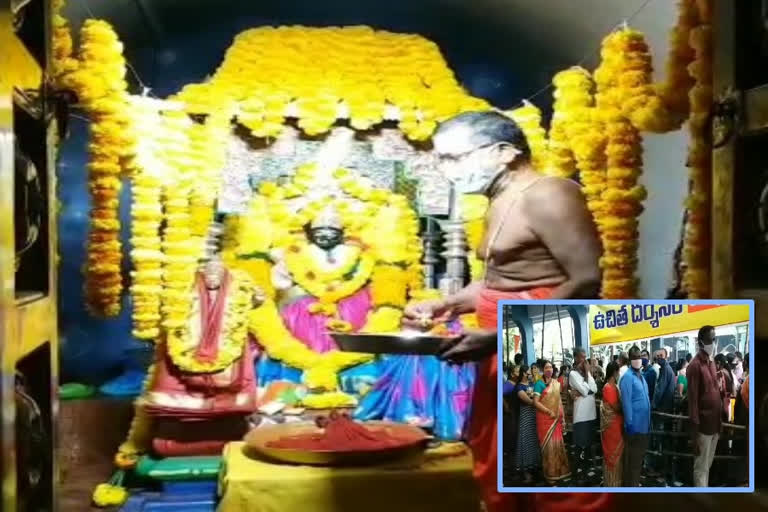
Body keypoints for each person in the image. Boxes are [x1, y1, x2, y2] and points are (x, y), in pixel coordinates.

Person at [401, 111, 603, 511]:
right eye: (440, 159)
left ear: (504, 152)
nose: (446, 169)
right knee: (504, 459)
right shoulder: (500, 199)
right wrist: (449, 303)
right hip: (505, 338)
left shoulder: (549, 194)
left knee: (554, 465)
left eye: (454, 158)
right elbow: (503, 281)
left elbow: (585, 281)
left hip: (548, 343)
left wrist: (499, 337)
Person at [687, 325, 722, 487]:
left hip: (715, 424)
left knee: (707, 466)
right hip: (703, 427)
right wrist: (694, 436)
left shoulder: (712, 362)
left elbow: (715, 391)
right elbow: (692, 402)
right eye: (711, 340)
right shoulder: (695, 366)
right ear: (701, 342)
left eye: (715, 339)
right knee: (701, 468)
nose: (714, 343)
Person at [533, 360, 571, 483]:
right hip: (545, 420)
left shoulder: (555, 383)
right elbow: (535, 402)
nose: (549, 370)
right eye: (546, 368)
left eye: (550, 367)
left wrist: (563, 418)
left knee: (558, 445)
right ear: (542, 370)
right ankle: (550, 476)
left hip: (556, 419)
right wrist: (548, 411)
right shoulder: (538, 384)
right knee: (548, 448)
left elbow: (559, 401)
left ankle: (561, 472)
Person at [619, 346, 650, 487]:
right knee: (632, 463)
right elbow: (626, 403)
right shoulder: (627, 378)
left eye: (639, 357)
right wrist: (629, 424)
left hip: (644, 426)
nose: (638, 360)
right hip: (634, 428)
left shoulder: (641, 377)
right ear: (629, 360)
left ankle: (634, 486)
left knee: (638, 463)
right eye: (635, 357)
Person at [569, 347, 598, 484]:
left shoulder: (586, 373)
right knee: (579, 446)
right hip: (580, 416)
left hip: (591, 414)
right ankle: (575, 475)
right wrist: (587, 375)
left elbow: (594, 389)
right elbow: (586, 391)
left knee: (588, 446)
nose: (584, 360)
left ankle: (585, 473)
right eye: (581, 357)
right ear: (575, 358)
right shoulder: (573, 374)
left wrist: (587, 379)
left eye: (585, 357)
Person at [513, 365, 541, 484]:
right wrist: (536, 398)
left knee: (534, 442)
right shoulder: (519, 387)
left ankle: (534, 467)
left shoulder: (532, 384)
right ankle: (526, 473)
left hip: (534, 417)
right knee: (526, 442)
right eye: (529, 371)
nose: (531, 372)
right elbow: (530, 401)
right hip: (526, 419)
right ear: (524, 373)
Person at [600, 361, 624, 487]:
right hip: (612, 427)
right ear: (614, 372)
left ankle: (617, 481)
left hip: (617, 425)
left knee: (618, 453)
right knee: (612, 453)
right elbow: (616, 408)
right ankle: (611, 483)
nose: (619, 373)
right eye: (618, 371)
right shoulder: (608, 388)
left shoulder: (615, 386)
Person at [653, 349, 675, 413]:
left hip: (664, 407)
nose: (659, 357)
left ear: (666, 357)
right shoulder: (664, 368)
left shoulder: (666, 369)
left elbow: (660, 389)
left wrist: (653, 405)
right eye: (657, 356)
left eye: (661, 355)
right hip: (666, 406)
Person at [714, 353, 733, 422]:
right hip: (727, 404)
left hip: (721, 405)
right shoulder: (728, 372)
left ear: (718, 363)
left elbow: (718, 390)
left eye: (714, 363)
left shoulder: (720, 374)